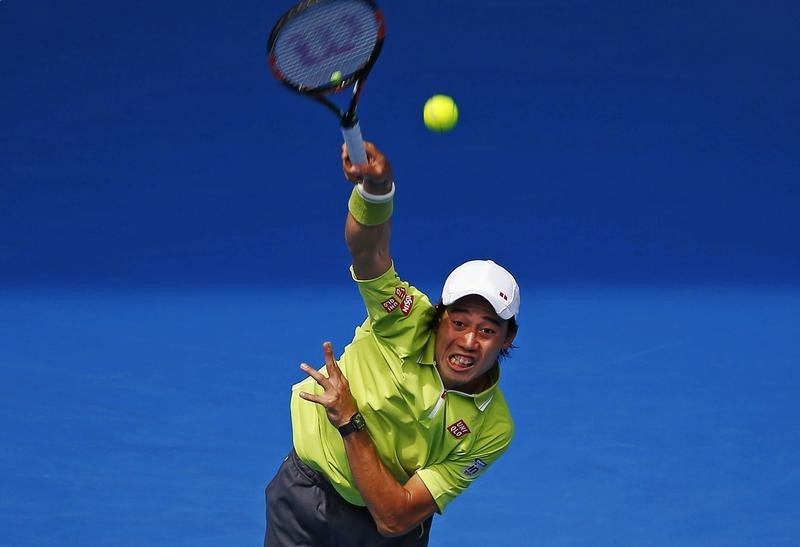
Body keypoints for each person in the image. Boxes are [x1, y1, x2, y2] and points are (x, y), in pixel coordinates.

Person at [264, 141, 521, 546]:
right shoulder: (403, 317)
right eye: (458, 322)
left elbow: (394, 517)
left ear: (508, 338)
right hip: (304, 495)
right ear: (439, 320)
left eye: (487, 330)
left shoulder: (492, 429)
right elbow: (368, 250)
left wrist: (350, 419)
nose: (469, 340)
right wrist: (377, 191)